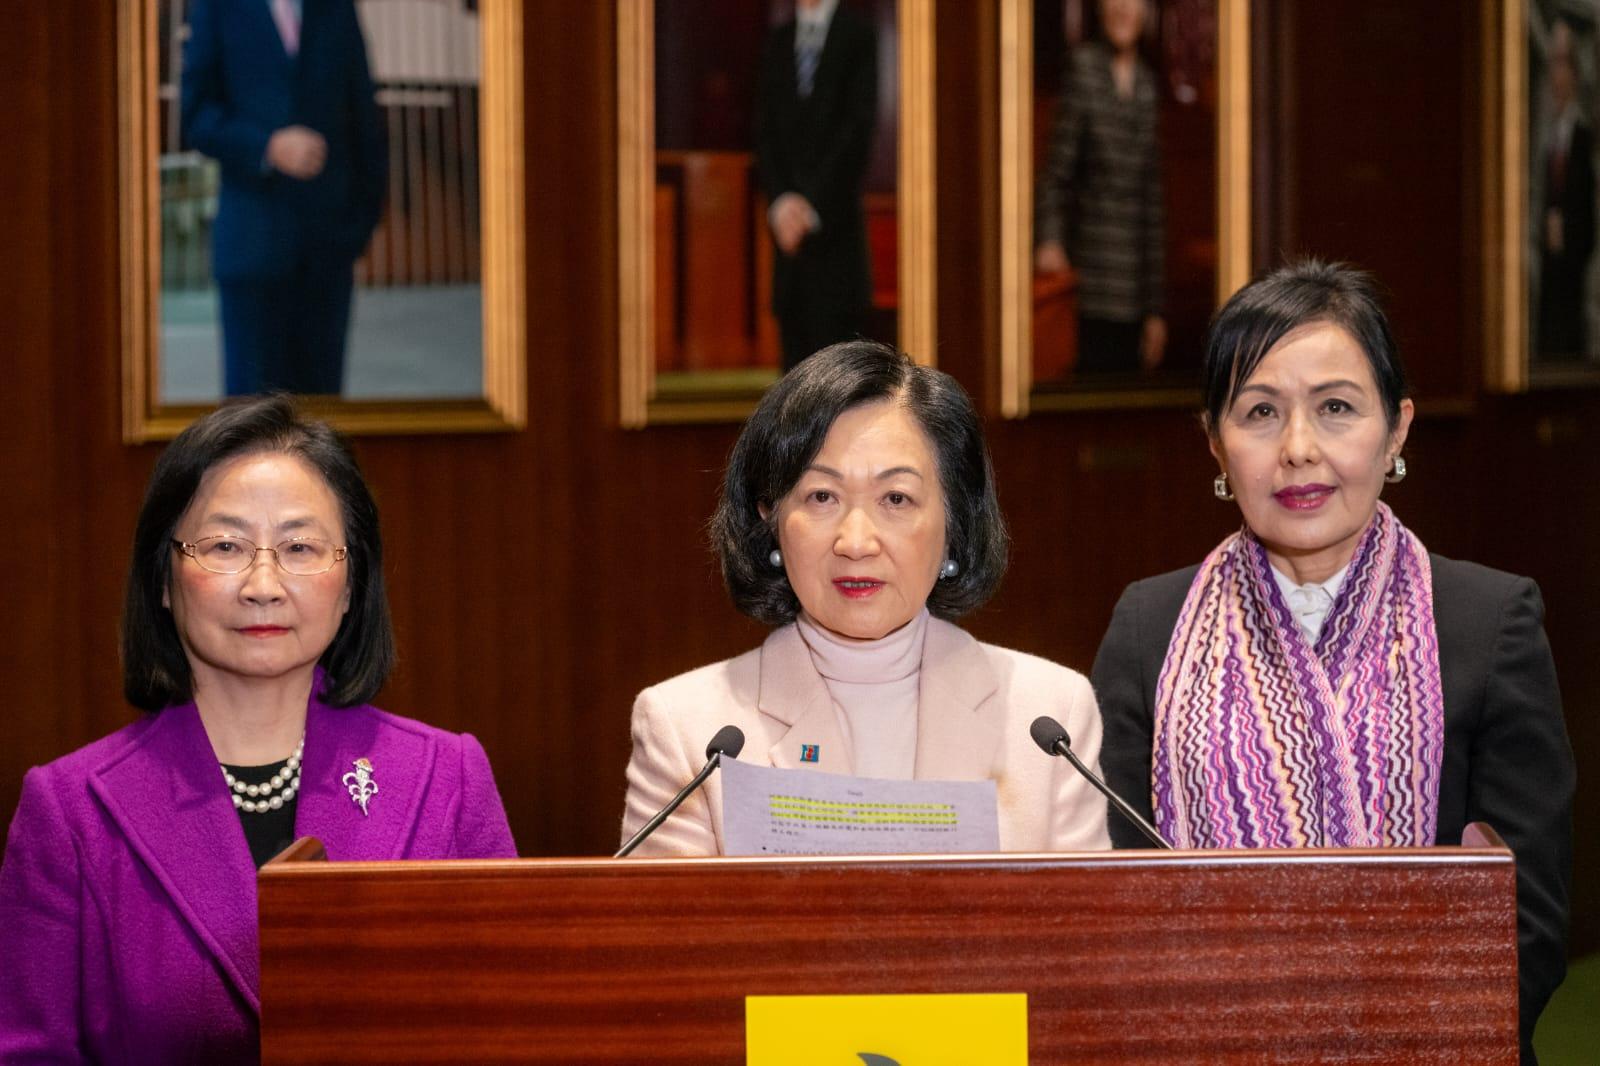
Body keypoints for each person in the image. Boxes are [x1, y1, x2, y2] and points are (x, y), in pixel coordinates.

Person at [1090, 261, 1573, 1062]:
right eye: (1260, 412)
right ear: (1215, 442)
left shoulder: (1490, 622)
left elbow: (1531, 921)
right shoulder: (1150, 626)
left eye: (1337, 408)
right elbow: (1115, 905)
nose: (1298, 449)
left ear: (1398, 429)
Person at [0, 396, 515, 1061]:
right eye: (225, 546)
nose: (264, 584)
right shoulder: (70, 810)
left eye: (300, 546)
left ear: (350, 582)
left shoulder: (448, 776)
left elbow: (509, 1027)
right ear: (164, 579)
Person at [620, 340, 1111, 855]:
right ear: (771, 519)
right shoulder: (688, 729)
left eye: (896, 498)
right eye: (822, 497)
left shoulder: (1048, 718)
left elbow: (1085, 911)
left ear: (953, 522)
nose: (855, 542)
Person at [181, 0, 388, 395]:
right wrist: (268, 147)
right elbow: (196, 117)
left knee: (320, 413)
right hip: (251, 248)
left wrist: (358, 227)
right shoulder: (217, 7)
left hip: (327, 251)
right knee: (252, 416)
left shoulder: (335, 7)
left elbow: (364, 115)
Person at [1034, 0, 1166, 374]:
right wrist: (1050, 240)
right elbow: (1055, 175)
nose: (1123, 8)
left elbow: (1153, 205)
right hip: (1088, 280)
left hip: (1134, 288)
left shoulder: (1147, 84)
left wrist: (1155, 310)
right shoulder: (1083, 69)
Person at [755, 0, 878, 370]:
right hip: (787, 246)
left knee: (840, 373)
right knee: (792, 373)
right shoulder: (778, 41)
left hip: (836, 239)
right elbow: (763, 131)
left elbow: (856, 131)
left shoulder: (858, 37)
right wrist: (781, 204)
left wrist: (808, 206)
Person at [1536, 18, 1595, 362]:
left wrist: (1566, 230)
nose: (1555, 75)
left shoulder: (1583, 136)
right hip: (1550, 280)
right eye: (1552, 63)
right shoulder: (1546, 137)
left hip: (1575, 278)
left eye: (1562, 63)